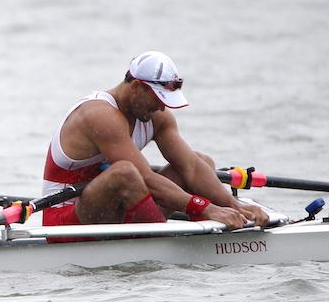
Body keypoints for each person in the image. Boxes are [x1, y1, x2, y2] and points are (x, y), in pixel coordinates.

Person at [41, 50, 269, 232]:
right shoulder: (99, 114)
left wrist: (234, 205)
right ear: (137, 87)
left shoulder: (157, 117)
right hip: (67, 217)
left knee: (202, 161)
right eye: (159, 98)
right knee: (125, 173)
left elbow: (191, 167)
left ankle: (164, 231)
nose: (162, 107)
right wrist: (206, 208)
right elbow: (146, 178)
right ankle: (159, 239)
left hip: (113, 210)